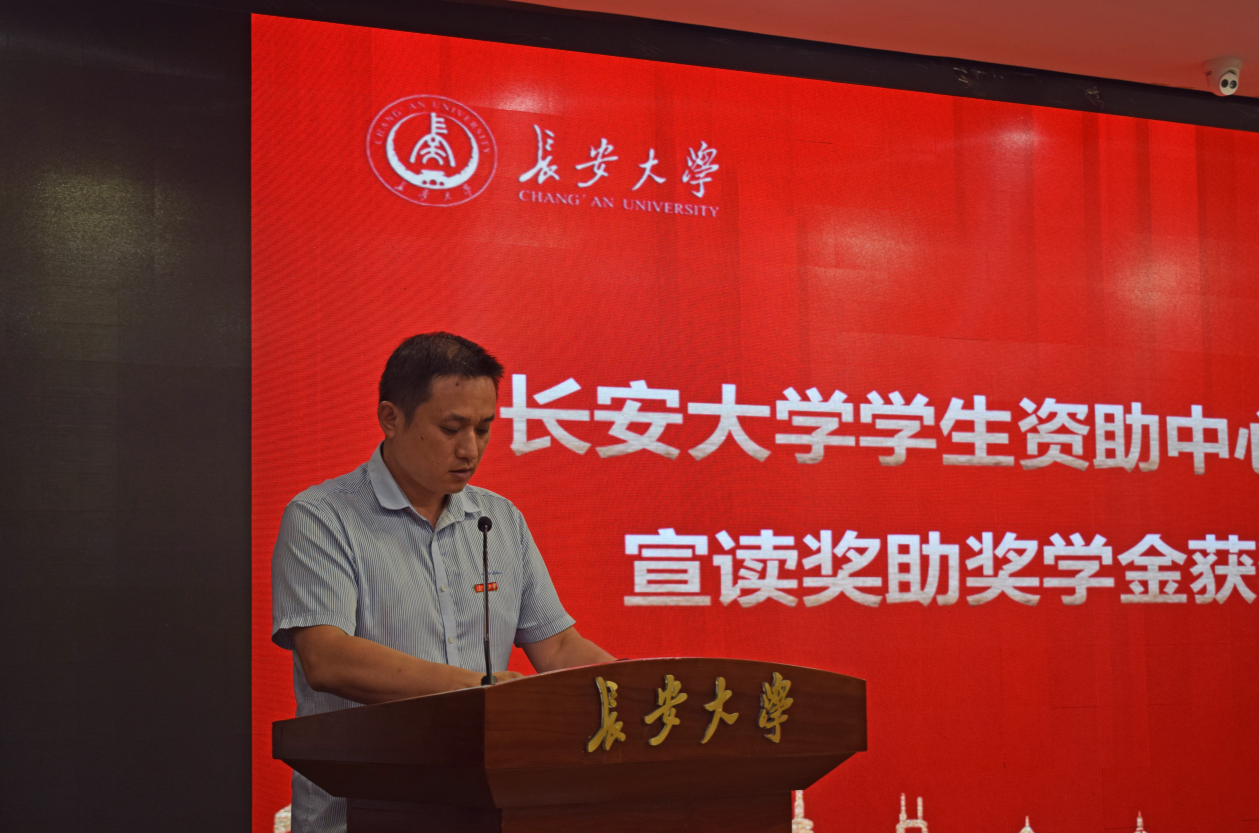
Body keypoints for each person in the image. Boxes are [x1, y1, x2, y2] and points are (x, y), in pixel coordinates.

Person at [271, 332, 615, 833]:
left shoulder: (500, 519)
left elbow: (558, 647)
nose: (470, 449)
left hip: (482, 811)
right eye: (451, 428)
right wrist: (483, 691)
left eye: (484, 428)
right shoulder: (323, 517)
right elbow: (328, 658)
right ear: (391, 418)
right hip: (360, 815)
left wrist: (634, 692)